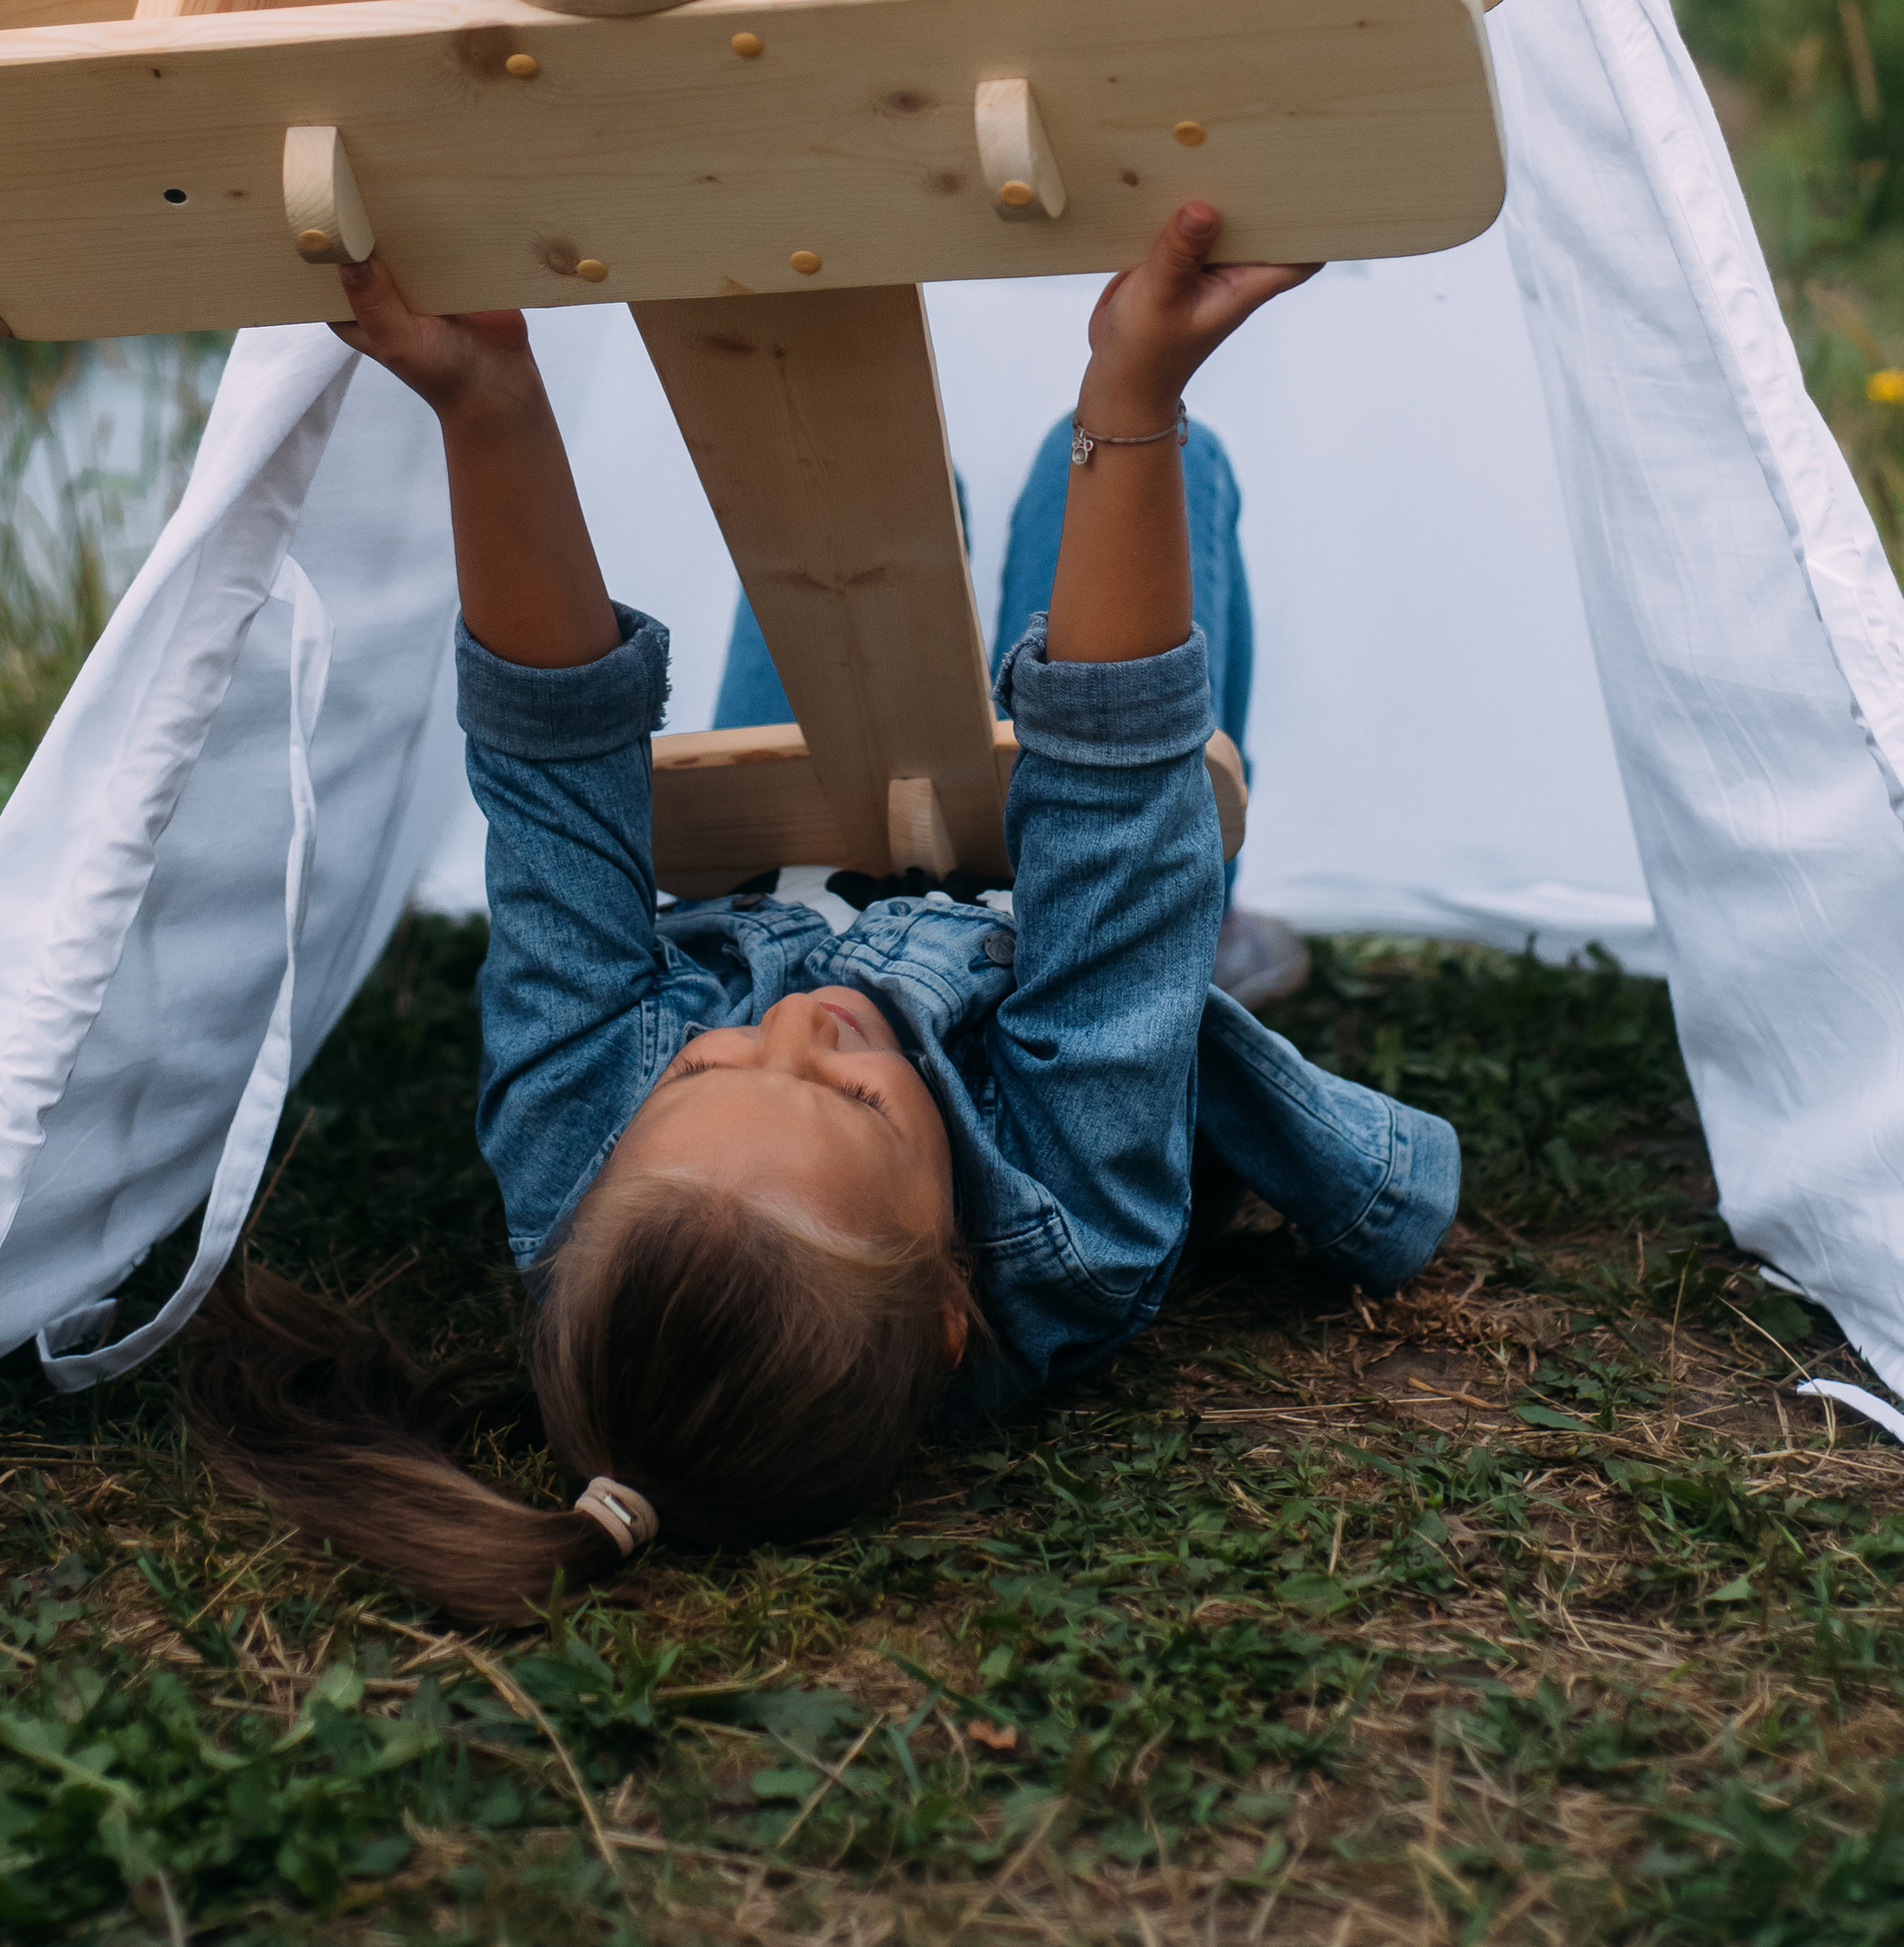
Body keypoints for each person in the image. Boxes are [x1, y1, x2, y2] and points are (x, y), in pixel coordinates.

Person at [187, 206, 1460, 1625]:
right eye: (857, 1099)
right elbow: (1115, 800)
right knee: (1122, 482)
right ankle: (1203, 964)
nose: (801, 1022)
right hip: (1044, 940)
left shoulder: (570, 1147)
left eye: (709, 1064)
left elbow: (555, 781)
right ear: (950, 1304)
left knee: (846, 548)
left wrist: (487, 401)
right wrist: (1132, 395)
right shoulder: (1072, 1210)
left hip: (777, 885)